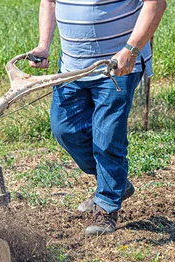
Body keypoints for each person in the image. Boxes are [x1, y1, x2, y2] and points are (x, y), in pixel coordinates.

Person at [29, 0, 167, 236]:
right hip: (72, 66)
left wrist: (131, 50)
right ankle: (116, 183)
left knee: (107, 138)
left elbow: (156, 4)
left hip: (117, 66)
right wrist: (43, 45)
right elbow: (49, 2)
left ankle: (106, 207)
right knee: (65, 130)